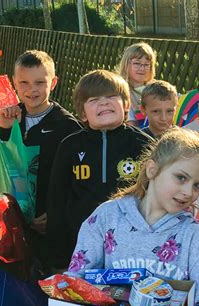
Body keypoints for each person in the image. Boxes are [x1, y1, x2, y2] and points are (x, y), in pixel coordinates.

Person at [60, 128, 199, 306]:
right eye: (181, 177)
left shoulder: (194, 237)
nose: (189, 192)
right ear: (152, 169)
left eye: (198, 185)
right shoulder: (106, 218)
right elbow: (76, 282)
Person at [46, 70, 153, 271]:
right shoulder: (70, 146)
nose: (104, 103)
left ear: (126, 105)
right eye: (94, 99)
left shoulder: (144, 145)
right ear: (82, 113)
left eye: (112, 97)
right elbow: (56, 201)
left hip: (131, 245)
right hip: (79, 243)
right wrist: (57, 258)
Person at [0, 50, 82, 269]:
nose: (32, 90)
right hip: (16, 221)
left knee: (50, 274)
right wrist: (3, 130)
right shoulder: (10, 118)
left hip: (51, 225)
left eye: (40, 82)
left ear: (53, 83)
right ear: (14, 82)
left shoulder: (67, 126)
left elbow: (77, 180)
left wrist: (56, 214)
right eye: (24, 82)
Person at [118, 42, 156, 128]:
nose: (142, 68)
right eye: (137, 63)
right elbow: (131, 125)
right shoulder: (121, 92)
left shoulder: (156, 88)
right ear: (126, 64)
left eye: (146, 64)